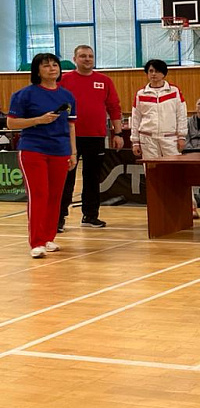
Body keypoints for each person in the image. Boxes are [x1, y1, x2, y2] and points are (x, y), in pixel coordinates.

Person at [6, 53, 77, 258]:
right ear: (37, 71)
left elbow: (71, 126)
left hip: (60, 151)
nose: (52, 68)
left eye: (55, 65)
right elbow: (11, 123)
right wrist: (38, 120)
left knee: (55, 196)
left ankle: (48, 237)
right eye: (46, 66)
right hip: (33, 149)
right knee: (39, 195)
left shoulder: (67, 96)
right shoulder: (24, 95)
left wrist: (73, 152)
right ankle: (36, 242)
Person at [57, 45, 123, 231]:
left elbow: (114, 107)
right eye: (83, 56)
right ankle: (59, 218)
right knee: (66, 179)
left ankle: (90, 216)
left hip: (96, 137)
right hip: (69, 137)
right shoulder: (64, 80)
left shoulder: (104, 80)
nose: (87, 59)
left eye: (90, 56)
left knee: (92, 178)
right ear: (75, 59)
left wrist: (118, 133)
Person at [131, 59, 187, 159]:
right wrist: (135, 142)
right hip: (147, 139)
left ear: (163, 73)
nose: (153, 74)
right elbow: (136, 118)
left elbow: (181, 115)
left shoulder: (174, 91)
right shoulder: (141, 94)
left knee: (173, 167)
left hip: (170, 138)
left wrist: (182, 136)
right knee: (151, 168)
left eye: (157, 71)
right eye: (151, 71)